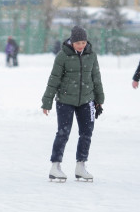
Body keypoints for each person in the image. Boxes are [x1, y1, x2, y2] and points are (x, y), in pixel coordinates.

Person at [41, 26, 104, 182]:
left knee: (86, 133)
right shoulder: (63, 56)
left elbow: (96, 78)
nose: (81, 45)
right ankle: (55, 166)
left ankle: (81, 166)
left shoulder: (91, 55)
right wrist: (47, 101)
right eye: (78, 43)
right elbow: (54, 79)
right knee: (63, 133)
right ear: (72, 42)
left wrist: (99, 99)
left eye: (83, 42)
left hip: (87, 100)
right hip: (65, 100)